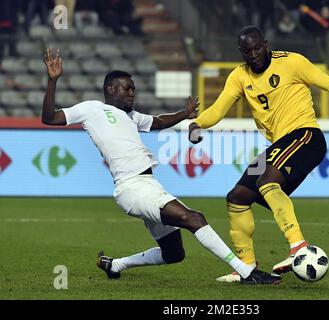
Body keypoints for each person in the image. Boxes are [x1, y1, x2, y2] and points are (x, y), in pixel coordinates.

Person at [41, 48, 281, 285]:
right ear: (110, 89)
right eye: (128, 88)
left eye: (133, 89)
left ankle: (115, 264)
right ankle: (247, 272)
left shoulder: (131, 116)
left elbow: (158, 122)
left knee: (174, 254)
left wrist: (185, 114)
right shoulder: (92, 109)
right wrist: (53, 81)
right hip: (133, 187)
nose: (132, 93)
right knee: (195, 219)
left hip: (147, 185)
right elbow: (49, 118)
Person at [188, 25, 329, 282]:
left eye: (258, 47)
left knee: (267, 181)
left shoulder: (292, 63)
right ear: (241, 52)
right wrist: (198, 123)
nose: (254, 54)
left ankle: (298, 248)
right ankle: (246, 268)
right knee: (237, 198)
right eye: (247, 51)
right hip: (281, 145)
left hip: (305, 136)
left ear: (266, 43)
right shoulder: (239, 76)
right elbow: (220, 106)